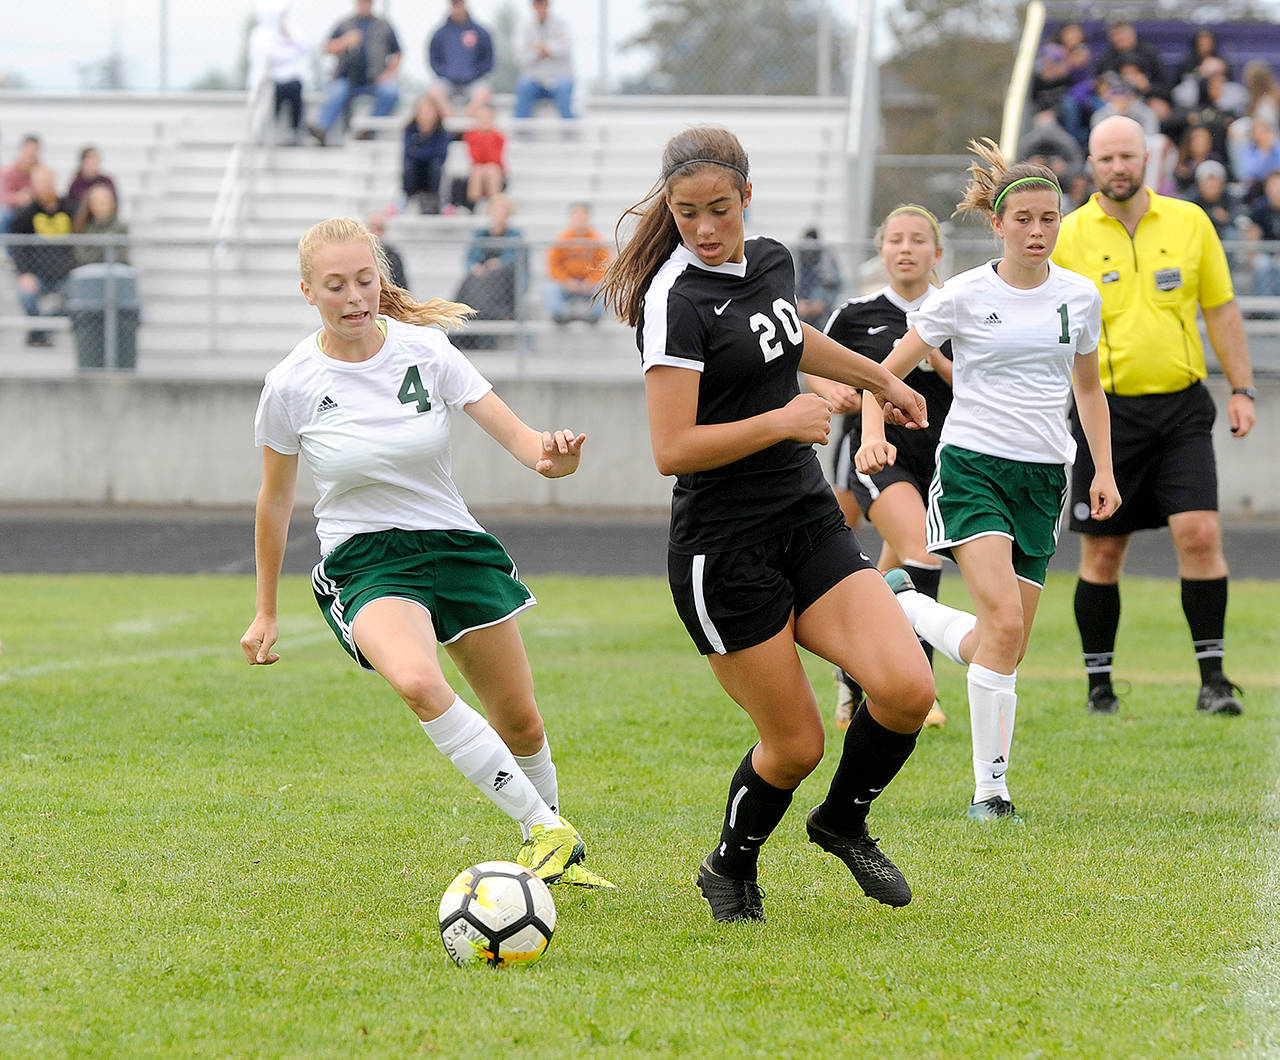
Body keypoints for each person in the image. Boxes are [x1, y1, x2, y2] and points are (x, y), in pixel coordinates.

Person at [598, 125, 935, 923]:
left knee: (907, 688)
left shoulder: (773, 259)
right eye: (687, 215)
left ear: (747, 196)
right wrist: (785, 422)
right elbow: (672, 449)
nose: (706, 228)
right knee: (797, 745)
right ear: (670, 211)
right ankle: (729, 865)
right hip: (726, 552)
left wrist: (879, 377)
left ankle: (842, 821)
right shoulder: (673, 302)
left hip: (805, 519)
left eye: (719, 209)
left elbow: (786, 335)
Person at [240, 216, 614, 891]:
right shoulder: (291, 384)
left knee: (521, 722)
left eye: (364, 280)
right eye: (336, 285)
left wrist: (556, 460)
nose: (354, 296)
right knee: (417, 682)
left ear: (380, 279)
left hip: (454, 546)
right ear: (307, 293)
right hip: (367, 563)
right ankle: (548, 830)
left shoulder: (427, 350)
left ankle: (550, 854)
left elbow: (530, 448)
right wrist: (264, 610)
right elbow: (273, 501)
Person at [861, 140, 1119, 821]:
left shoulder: (1081, 296)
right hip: (973, 466)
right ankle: (990, 793)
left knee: (1005, 644)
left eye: (1048, 219)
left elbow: (1089, 391)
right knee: (1001, 622)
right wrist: (873, 426)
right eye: (1024, 219)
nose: (1037, 232)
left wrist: (1103, 471)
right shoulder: (965, 294)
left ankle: (908, 607)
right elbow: (884, 371)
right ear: (998, 224)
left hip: (1046, 477)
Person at [1051, 114, 1257, 718]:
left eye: (1128, 156)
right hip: (1103, 414)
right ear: (1091, 163)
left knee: (1200, 534)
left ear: (1148, 159)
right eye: (1106, 158)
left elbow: (1221, 311)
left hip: (1183, 407)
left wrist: (1242, 388)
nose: (1118, 167)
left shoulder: (1190, 222)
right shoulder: (1066, 235)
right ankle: (1099, 688)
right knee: (1104, 553)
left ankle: (1214, 682)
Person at [819, 205, 953, 733]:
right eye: (895, 239)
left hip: (942, 459)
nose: (905, 248)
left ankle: (853, 674)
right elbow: (810, 361)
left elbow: (977, 384)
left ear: (936, 253)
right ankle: (920, 689)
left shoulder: (956, 309)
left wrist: (935, 357)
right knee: (922, 552)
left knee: (884, 580)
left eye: (918, 239)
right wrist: (831, 391)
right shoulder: (856, 312)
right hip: (877, 456)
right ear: (881, 251)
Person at [308, 0, 402, 147]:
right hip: (346, 77)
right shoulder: (344, 24)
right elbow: (327, 48)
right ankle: (321, 130)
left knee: (391, 92)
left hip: (374, 80)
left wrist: (387, 74)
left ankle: (368, 130)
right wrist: (345, 41)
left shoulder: (384, 25)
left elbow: (398, 53)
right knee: (336, 92)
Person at [9, 165, 77, 347]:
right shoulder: (26, 213)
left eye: (48, 181)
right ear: (34, 185)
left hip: (64, 273)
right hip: (37, 274)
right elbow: (18, 247)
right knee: (26, 296)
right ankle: (41, 330)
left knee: (77, 295)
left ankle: (39, 330)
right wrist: (25, 273)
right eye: (41, 182)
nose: (45, 186)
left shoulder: (70, 208)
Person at [454, 192, 527, 348]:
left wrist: (498, 263)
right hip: (480, 285)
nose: (499, 215)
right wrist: (476, 267)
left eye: (503, 211)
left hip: (504, 287)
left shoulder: (516, 236)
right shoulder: (480, 234)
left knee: (494, 275)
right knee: (473, 279)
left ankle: (476, 320)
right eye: (496, 210)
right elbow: (470, 259)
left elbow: (515, 261)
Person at [247, 4, 310, 146]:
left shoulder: (291, 32)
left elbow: (304, 49)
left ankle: (294, 130)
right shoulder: (260, 34)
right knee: (270, 99)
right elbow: (267, 57)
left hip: (290, 80)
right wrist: (287, 53)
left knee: (295, 90)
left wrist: (288, 38)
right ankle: (266, 133)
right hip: (269, 80)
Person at [427, 0, 494, 119]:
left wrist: (473, 73)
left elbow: (488, 60)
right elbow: (433, 59)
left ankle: (463, 123)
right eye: (454, 4)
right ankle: (452, 121)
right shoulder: (440, 34)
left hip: (473, 81)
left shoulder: (480, 32)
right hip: (448, 81)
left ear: (465, 4)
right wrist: (447, 73)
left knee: (484, 92)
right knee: (434, 91)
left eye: (459, 3)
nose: (457, 7)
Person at [545, 201, 610, 324]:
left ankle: (594, 317)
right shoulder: (561, 240)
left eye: (583, 217)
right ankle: (560, 316)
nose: (580, 221)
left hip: (589, 284)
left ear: (588, 219)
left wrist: (591, 281)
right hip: (566, 283)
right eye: (576, 217)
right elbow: (553, 265)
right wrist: (566, 281)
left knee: (604, 289)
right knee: (550, 290)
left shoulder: (597, 240)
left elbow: (604, 265)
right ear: (571, 219)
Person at [513, 0, 575, 121]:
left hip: (559, 77)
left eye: (543, 3)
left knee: (564, 86)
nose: (541, 6)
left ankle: (570, 134)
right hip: (534, 78)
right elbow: (520, 55)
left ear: (548, 4)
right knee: (523, 85)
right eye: (538, 3)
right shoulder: (523, 26)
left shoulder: (562, 23)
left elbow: (566, 47)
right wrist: (549, 48)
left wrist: (539, 47)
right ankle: (521, 133)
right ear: (533, 5)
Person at [401, 93, 453, 214]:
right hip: (415, 171)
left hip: (433, 172)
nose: (426, 115)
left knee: (435, 166)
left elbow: (441, 155)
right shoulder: (409, 130)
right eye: (423, 111)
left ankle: (439, 200)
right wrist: (428, 152)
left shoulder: (442, 132)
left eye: (429, 111)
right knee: (410, 165)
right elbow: (408, 153)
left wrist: (419, 151)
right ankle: (405, 197)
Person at [792, 226, 842, 327]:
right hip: (798, 307)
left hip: (821, 312)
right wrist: (795, 303)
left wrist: (821, 302)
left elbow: (834, 285)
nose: (809, 255)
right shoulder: (794, 257)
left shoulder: (827, 259)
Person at [72, 182, 130, 267]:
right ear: (90, 205)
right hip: (90, 272)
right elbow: (81, 257)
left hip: (116, 272)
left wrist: (97, 248)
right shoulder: (83, 227)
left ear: (112, 203)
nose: (100, 206)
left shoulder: (121, 227)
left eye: (104, 201)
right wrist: (106, 248)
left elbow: (121, 257)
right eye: (96, 202)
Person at [461, 103, 506, 207]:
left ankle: (494, 206)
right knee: (478, 171)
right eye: (481, 118)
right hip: (478, 169)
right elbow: (476, 157)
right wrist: (482, 136)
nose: (484, 121)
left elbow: (495, 158)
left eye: (487, 117)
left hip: (495, 171)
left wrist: (487, 136)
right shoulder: (470, 136)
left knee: (491, 170)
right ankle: (473, 206)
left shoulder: (499, 137)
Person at [1246, 170, 1280, 296]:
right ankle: (1267, 309)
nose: (1276, 189)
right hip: (1266, 253)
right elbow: (1253, 232)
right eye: (1273, 185)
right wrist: (1251, 255)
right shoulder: (1260, 208)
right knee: (1261, 265)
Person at [1, 134, 40, 236]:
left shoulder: (41, 171)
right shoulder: (10, 171)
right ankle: (10, 250)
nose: (32, 153)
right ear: (22, 150)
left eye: (35, 149)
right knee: (7, 216)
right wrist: (19, 198)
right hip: (16, 210)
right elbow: (4, 197)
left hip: (36, 208)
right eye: (29, 149)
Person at [364, 211, 406, 290]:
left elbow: (402, 289)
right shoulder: (357, 256)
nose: (375, 234)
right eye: (372, 228)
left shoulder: (393, 257)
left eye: (380, 229)